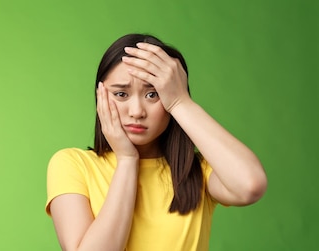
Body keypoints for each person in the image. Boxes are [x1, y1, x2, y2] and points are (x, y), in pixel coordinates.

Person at [45, 34, 268, 251]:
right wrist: (127, 159)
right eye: (121, 94)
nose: (137, 112)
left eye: (153, 95)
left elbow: (250, 185)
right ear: (100, 96)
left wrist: (181, 102)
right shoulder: (72, 164)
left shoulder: (198, 171)